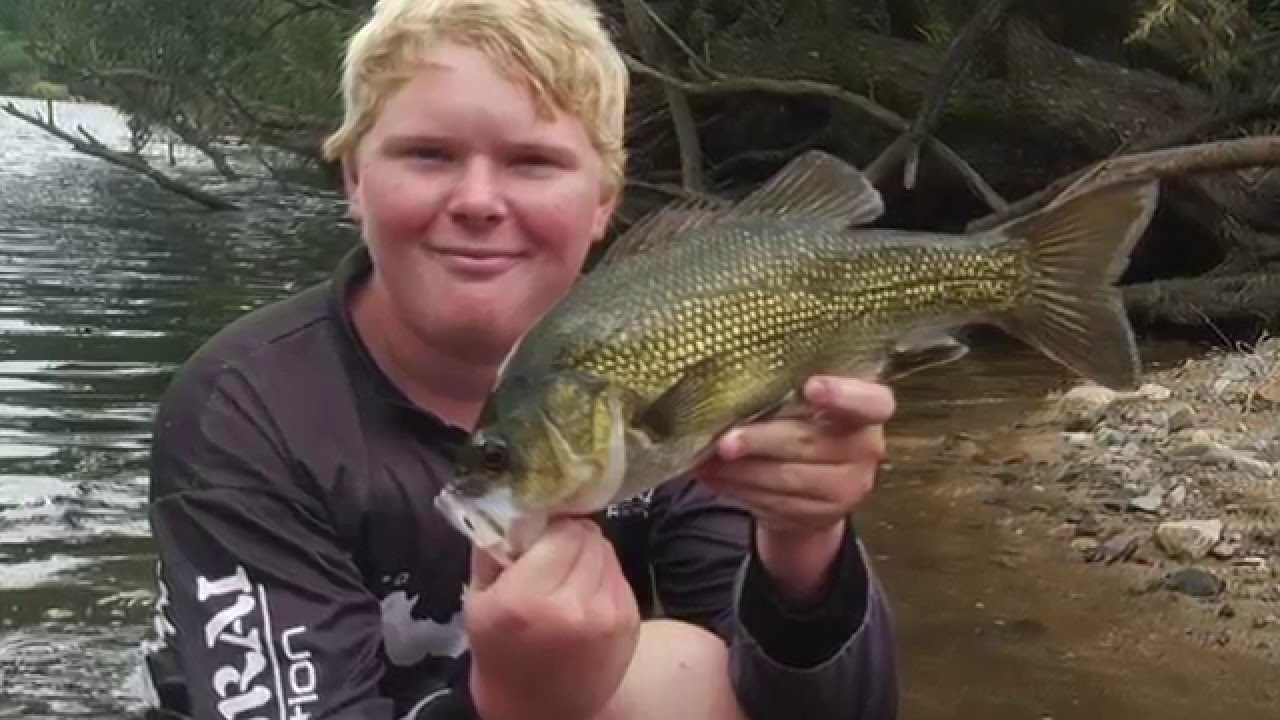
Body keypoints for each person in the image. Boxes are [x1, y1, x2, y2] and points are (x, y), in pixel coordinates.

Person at [137, 0, 900, 718]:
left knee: (686, 675)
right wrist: (510, 704)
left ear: (606, 198)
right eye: (429, 154)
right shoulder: (244, 412)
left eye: (533, 162)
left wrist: (802, 545)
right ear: (355, 180)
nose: (477, 200)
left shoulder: (663, 356)